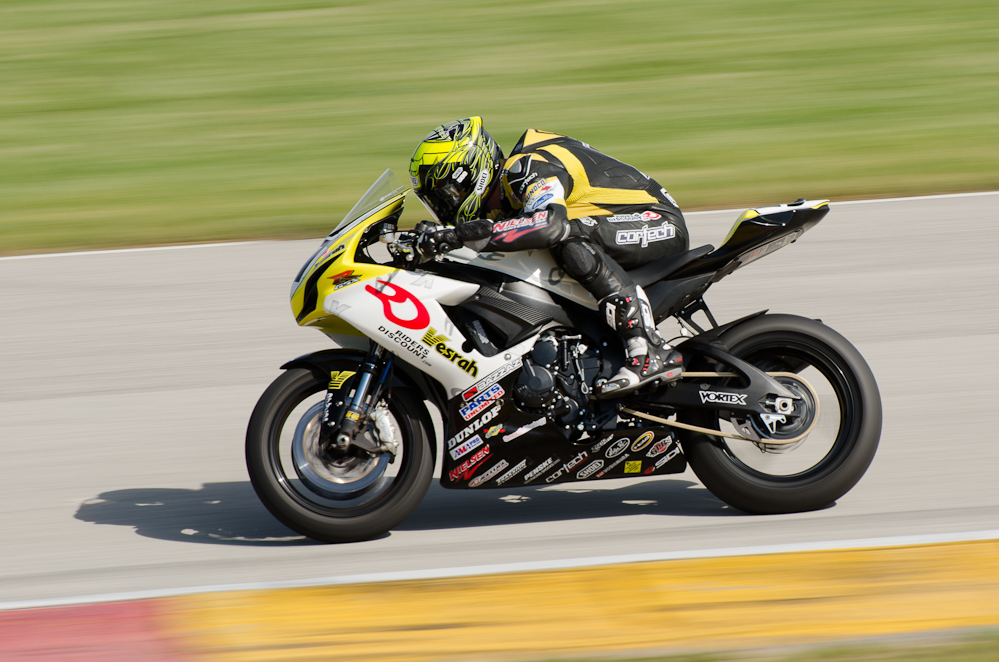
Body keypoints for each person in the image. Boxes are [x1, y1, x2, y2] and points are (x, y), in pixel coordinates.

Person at [409, 117, 686, 398]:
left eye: (447, 194)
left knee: (565, 235)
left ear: (473, 173)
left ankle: (647, 347)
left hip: (655, 221)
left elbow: (549, 225)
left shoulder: (526, 166)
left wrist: (458, 235)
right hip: (614, 229)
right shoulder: (503, 202)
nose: (445, 207)